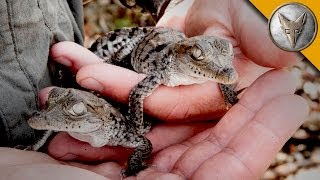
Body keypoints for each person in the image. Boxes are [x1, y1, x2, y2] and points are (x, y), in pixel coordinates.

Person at [0, 0, 308, 179]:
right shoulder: (163, 69)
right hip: (139, 47)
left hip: (66, 95)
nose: (223, 70)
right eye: (202, 59)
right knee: (99, 63)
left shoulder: (213, 65)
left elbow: (222, 74)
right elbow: (137, 93)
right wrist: (135, 127)